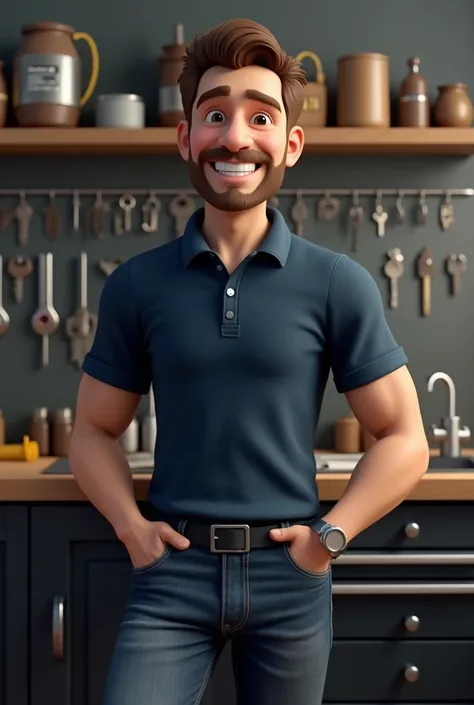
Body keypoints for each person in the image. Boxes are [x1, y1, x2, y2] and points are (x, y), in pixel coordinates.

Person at [69, 17, 429, 705]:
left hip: (290, 576)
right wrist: (131, 528)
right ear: (186, 138)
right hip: (171, 573)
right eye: (215, 114)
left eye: (259, 116)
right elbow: (92, 430)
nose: (235, 137)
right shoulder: (136, 285)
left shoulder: (337, 282)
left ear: (291, 144)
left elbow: (406, 439)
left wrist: (326, 538)